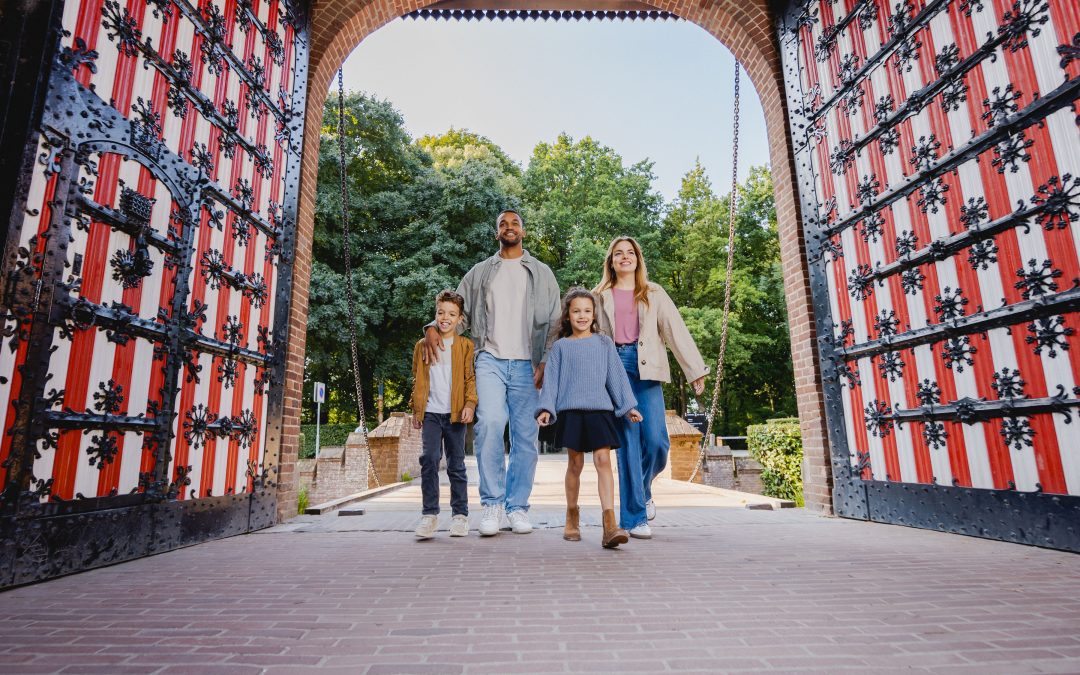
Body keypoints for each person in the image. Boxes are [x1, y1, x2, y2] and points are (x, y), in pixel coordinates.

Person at [423, 209, 561, 537]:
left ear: (523, 232)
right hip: (490, 359)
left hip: (529, 364)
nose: (509, 227)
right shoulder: (480, 272)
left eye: (515, 223)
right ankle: (492, 503)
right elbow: (456, 311)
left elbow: (557, 322)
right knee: (490, 424)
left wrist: (546, 360)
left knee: (526, 436)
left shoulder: (543, 273)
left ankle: (517, 507)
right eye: (503, 224)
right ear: (496, 233)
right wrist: (431, 326)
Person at [593, 237, 708, 539]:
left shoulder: (654, 293)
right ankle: (634, 519)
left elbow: (675, 330)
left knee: (658, 443)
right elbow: (588, 337)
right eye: (618, 253)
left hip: (648, 368)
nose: (625, 257)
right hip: (614, 368)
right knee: (627, 447)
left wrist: (694, 369)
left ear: (638, 258)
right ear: (611, 261)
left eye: (630, 252)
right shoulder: (599, 295)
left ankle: (643, 490)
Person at [536, 288, 642, 549]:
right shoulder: (560, 347)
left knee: (603, 460)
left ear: (594, 314)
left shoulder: (604, 343)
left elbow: (616, 376)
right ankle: (572, 517)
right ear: (567, 316)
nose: (582, 316)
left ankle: (610, 525)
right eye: (576, 311)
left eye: (587, 311)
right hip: (571, 411)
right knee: (575, 464)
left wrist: (628, 406)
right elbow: (551, 381)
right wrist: (546, 408)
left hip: (600, 411)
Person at [410, 290, 477, 539]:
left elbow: (470, 378)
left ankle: (460, 516)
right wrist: (416, 408)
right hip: (430, 413)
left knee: (456, 465)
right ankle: (429, 515)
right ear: (435, 314)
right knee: (429, 459)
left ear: (460, 319)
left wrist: (470, 404)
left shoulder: (465, 346)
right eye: (441, 313)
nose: (445, 318)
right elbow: (417, 378)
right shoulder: (422, 345)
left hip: (455, 414)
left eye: (451, 314)